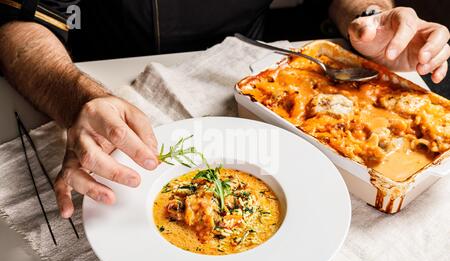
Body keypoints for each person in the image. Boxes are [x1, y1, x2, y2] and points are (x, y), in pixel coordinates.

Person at [0, 0, 448, 218]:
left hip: (247, 56)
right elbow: (17, 19)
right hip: (97, 68)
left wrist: (371, 17)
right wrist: (79, 96)